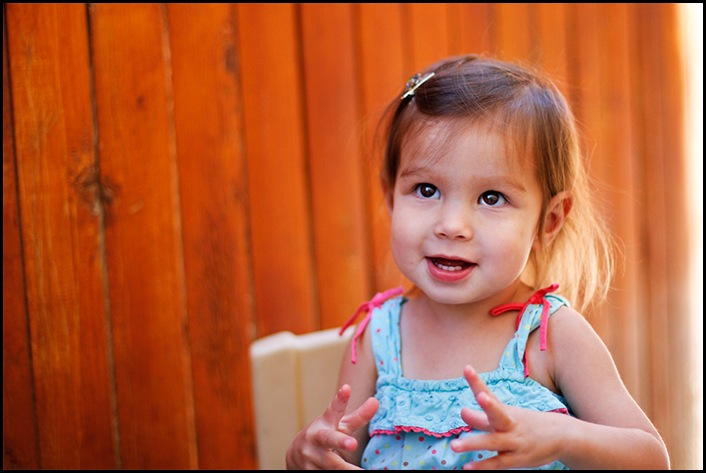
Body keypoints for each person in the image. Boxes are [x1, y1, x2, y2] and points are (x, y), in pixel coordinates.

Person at [285, 54, 670, 470]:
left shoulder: (549, 337)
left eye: (491, 197)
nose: (452, 226)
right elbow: (338, 455)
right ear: (390, 196)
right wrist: (306, 456)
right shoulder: (377, 338)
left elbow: (651, 458)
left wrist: (563, 436)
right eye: (426, 189)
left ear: (549, 221)